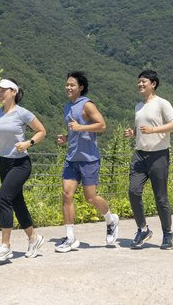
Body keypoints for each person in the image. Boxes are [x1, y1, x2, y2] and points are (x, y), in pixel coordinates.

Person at [55, 71, 119, 253]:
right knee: (66, 194)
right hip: (72, 158)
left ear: (80, 87)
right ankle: (70, 238)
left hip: (89, 159)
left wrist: (80, 127)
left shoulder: (87, 105)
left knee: (90, 197)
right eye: (67, 84)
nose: (68, 87)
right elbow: (76, 130)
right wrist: (67, 137)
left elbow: (102, 125)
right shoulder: (67, 107)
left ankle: (110, 219)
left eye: (72, 85)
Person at [0, 78, 47, 262]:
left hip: (21, 164)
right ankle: (34, 238)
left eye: (2, 90)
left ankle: (5, 246)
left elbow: (42, 131)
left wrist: (29, 142)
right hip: (4, 163)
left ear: (13, 92)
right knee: (17, 202)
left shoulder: (22, 113)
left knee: (3, 197)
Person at [123, 70, 173, 250]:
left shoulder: (162, 103)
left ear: (153, 84)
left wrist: (154, 131)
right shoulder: (138, 106)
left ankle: (167, 233)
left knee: (160, 197)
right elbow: (141, 128)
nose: (140, 85)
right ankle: (142, 229)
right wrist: (133, 133)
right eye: (139, 82)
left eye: (143, 82)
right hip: (140, 154)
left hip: (159, 155)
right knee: (133, 192)